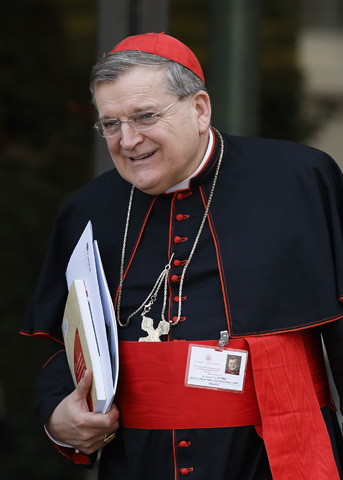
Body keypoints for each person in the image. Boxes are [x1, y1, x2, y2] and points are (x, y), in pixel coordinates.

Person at [21, 32, 343, 479]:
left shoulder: (299, 180)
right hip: (137, 464)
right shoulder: (88, 210)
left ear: (199, 109)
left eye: (145, 116)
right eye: (110, 124)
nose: (128, 140)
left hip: (270, 461)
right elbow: (62, 346)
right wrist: (58, 419)